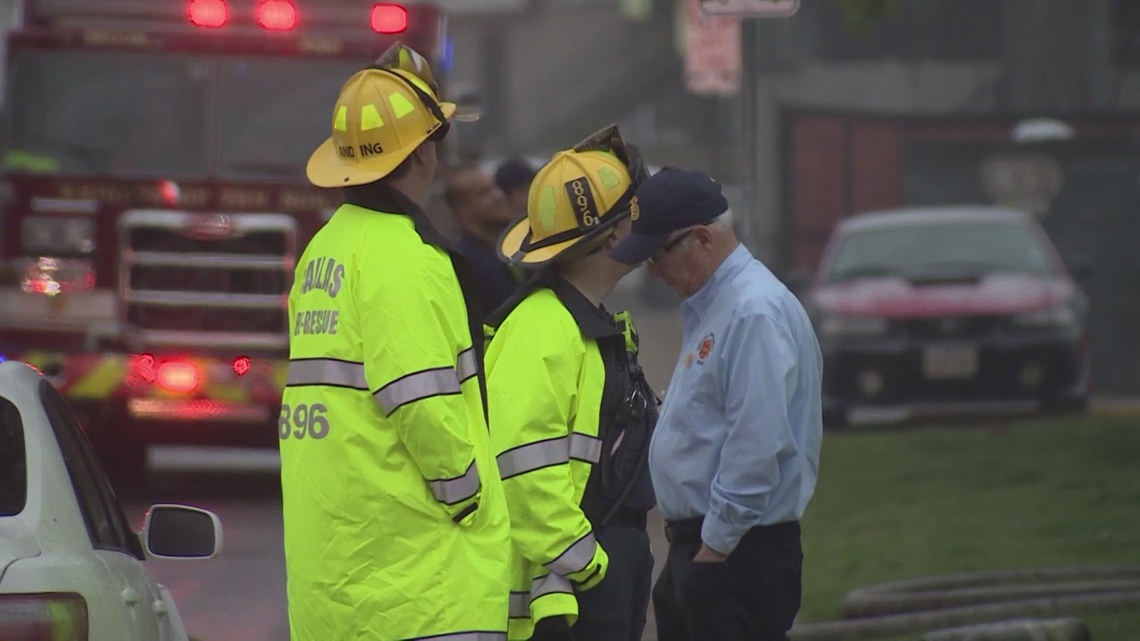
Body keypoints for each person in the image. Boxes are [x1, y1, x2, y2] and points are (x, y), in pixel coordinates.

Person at [279, 43, 511, 641]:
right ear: (426, 151)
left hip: (337, 583)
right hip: (422, 587)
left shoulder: (325, 250)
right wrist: (468, 498)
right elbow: (422, 402)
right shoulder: (407, 259)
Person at [609, 167, 824, 641]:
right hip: (715, 550)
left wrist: (713, 549)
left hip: (735, 554)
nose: (654, 271)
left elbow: (757, 442)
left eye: (657, 255)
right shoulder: (718, 306)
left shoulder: (752, 314)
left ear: (702, 238)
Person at [485, 125, 657, 641]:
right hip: (568, 595)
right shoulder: (542, 328)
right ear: (611, 234)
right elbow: (523, 469)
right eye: (633, 213)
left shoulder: (586, 321)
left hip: (593, 574)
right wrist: (588, 564)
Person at [446, 163, 524, 317]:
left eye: (495, 187)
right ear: (463, 209)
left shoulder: (496, 252)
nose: (498, 196)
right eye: (484, 193)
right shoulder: (467, 265)